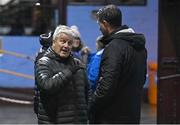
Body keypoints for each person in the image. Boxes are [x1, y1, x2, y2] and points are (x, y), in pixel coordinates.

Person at [89, 4, 147, 124]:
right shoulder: (140, 47)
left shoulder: (114, 47)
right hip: (132, 114)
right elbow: (142, 79)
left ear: (105, 23)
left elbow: (106, 86)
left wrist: (91, 106)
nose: (99, 28)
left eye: (99, 24)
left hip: (111, 117)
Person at [34, 25, 89, 124]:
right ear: (54, 42)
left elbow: (87, 92)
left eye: (69, 43)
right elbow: (47, 86)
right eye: (63, 41)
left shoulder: (78, 64)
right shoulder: (43, 62)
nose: (66, 46)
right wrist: (69, 71)